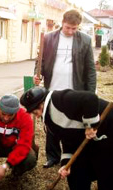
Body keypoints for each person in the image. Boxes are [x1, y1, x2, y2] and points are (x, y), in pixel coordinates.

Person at [20, 87, 113, 190]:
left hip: (110, 124)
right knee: (77, 163)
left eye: (34, 111)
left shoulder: (60, 99)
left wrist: (89, 125)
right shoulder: (48, 118)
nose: (35, 115)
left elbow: (90, 98)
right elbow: (67, 139)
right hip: (89, 134)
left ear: (41, 104)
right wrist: (65, 163)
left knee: (105, 165)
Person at [34, 9, 96, 168]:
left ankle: (72, 156)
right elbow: (39, 62)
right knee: (51, 123)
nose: (70, 31)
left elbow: (90, 70)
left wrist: (90, 94)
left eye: (74, 29)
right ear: (62, 23)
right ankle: (52, 156)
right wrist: (37, 74)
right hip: (52, 89)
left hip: (75, 91)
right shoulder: (48, 38)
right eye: (68, 27)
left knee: (74, 124)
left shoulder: (86, 40)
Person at [0, 94, 38, 183]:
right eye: (3, 114)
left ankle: (15, 173)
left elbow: (24, 145)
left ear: (16, 111)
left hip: (14, 147)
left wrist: (6, 166)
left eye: (10, 115)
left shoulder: (25, 117)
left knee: (30, 159)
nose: (6, 118)